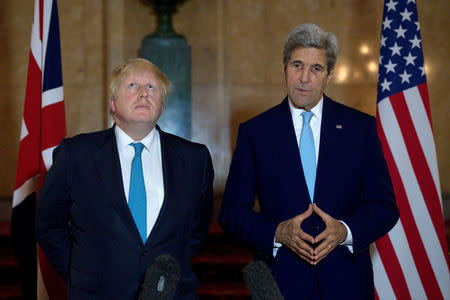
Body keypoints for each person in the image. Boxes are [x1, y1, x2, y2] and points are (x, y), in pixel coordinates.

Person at [219, 24, 399, 299]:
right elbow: (232, 213)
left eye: (316, 69)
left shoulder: (359, 128)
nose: (304, 78)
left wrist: (345, 231)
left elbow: (385, 206)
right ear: (284, 67)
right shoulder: (255, 132)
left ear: (329, 74)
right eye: (297, 65)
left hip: (347, 283)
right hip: (280, 284)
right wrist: (276, 233)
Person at [36, 58, 214, 299]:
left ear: (162, 105)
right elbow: (48, 225)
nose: (143, 94)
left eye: (152, 87)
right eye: (132, 86)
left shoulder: (195, 159)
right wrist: (80, 274)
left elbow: (196, 231)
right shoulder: (75, 155)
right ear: (112, 103)